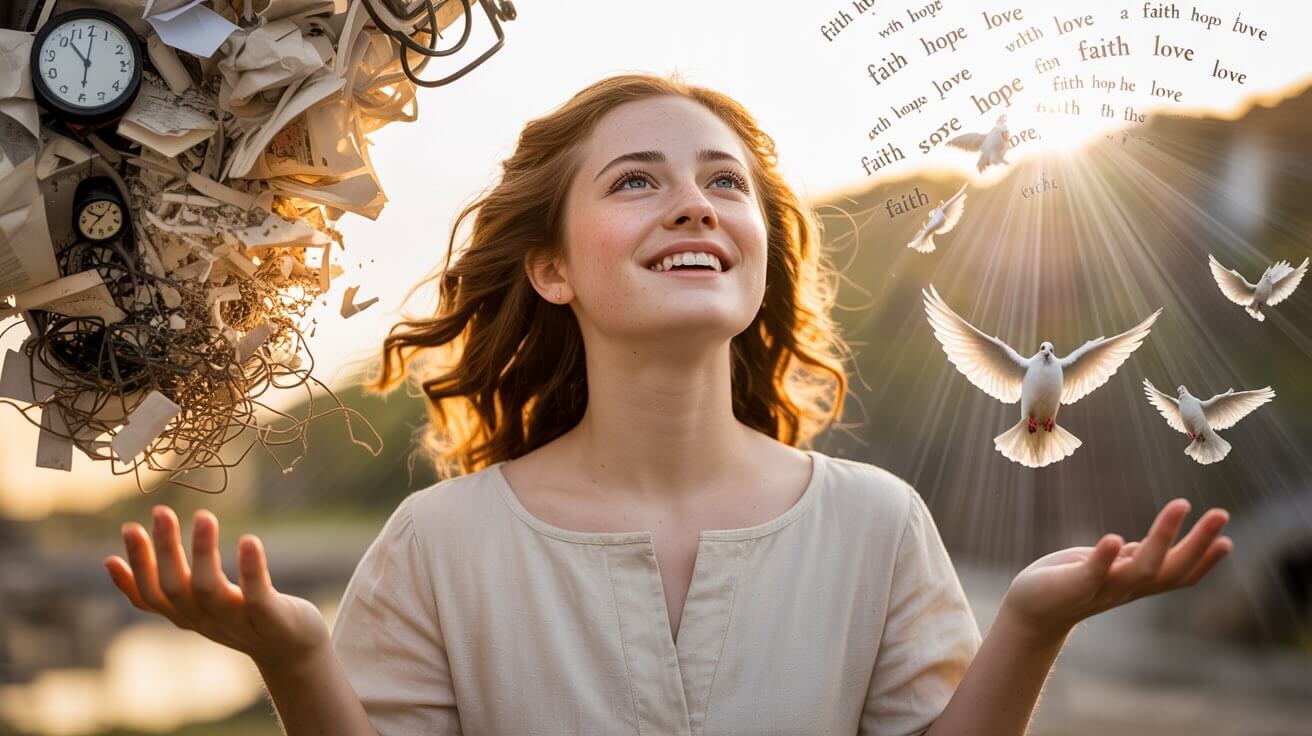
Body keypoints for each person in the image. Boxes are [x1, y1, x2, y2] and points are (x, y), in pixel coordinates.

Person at [103, 73, 1233, 735]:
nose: (692, 204)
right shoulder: (441, 542)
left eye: (723, 182)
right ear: (551, 267)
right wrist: (296, 658)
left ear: (754, 252)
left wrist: (1032, 618)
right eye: (636, 179)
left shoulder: (876, 521)